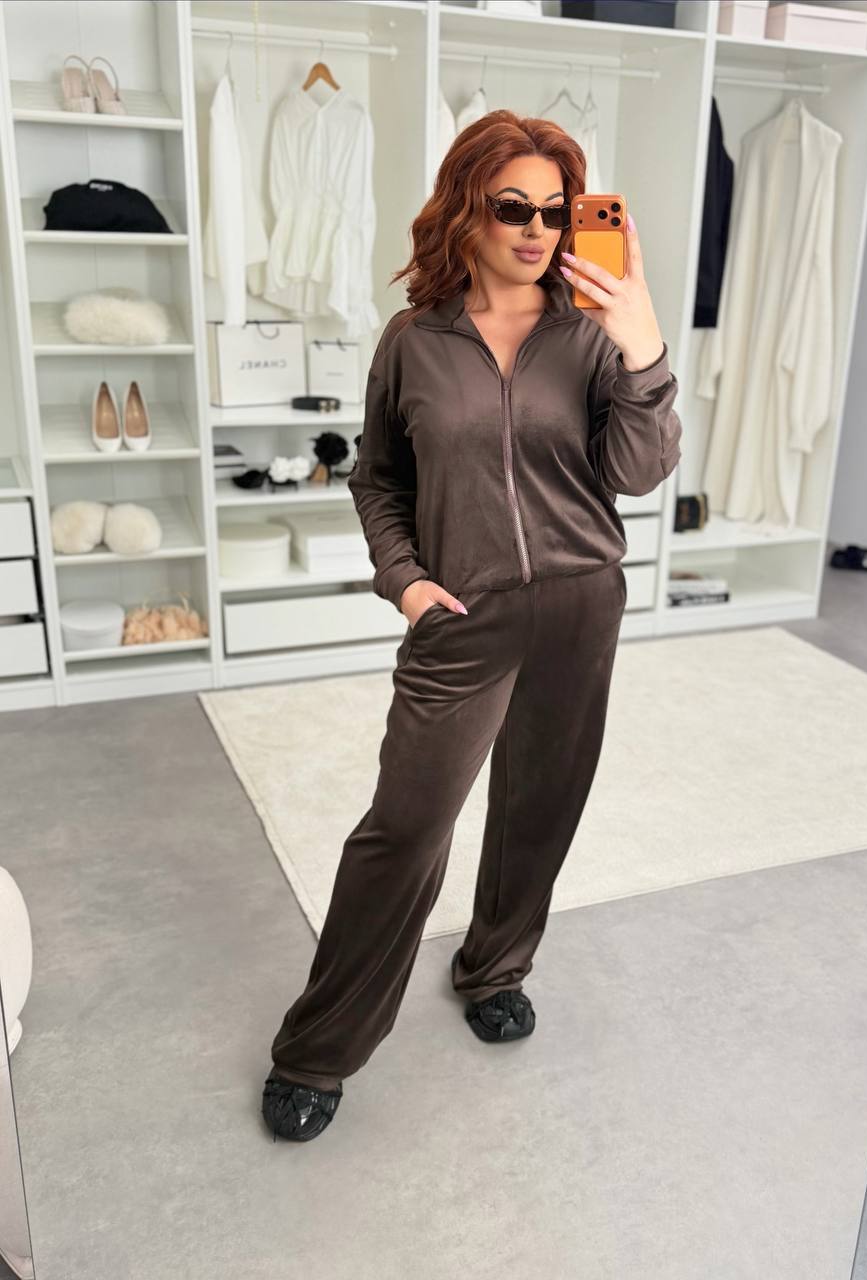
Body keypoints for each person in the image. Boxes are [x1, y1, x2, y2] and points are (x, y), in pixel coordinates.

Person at [261, 109, 682, 1143]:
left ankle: (495, 967)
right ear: (467, 210)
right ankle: (319, 1047)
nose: (537, 229)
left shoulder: (592, 334)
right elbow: (377, 480)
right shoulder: (415, 340)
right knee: (404, 827)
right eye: (513, 208)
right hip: (462, 614)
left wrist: (644, 350)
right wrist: (405, 582)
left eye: (556, 211)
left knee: (540, 807)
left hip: (580, 604)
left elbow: (637, 471)